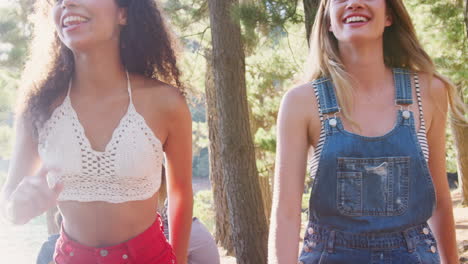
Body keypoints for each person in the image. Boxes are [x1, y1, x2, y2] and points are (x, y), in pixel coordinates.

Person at [268, 0, 466, 263]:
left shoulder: (429, 92)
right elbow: (286, 214)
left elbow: (440, 201)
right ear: (328, 21)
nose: (354, 3)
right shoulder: (301, 102)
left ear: (389, 16)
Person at [0, 0, 193, 263]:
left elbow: (180, 191)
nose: (66, 3)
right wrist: (19, 208)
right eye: (57, 0)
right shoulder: (38, 107)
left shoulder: (166, 103)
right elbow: (8, 205)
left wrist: (178, 260)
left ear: (123, 13)